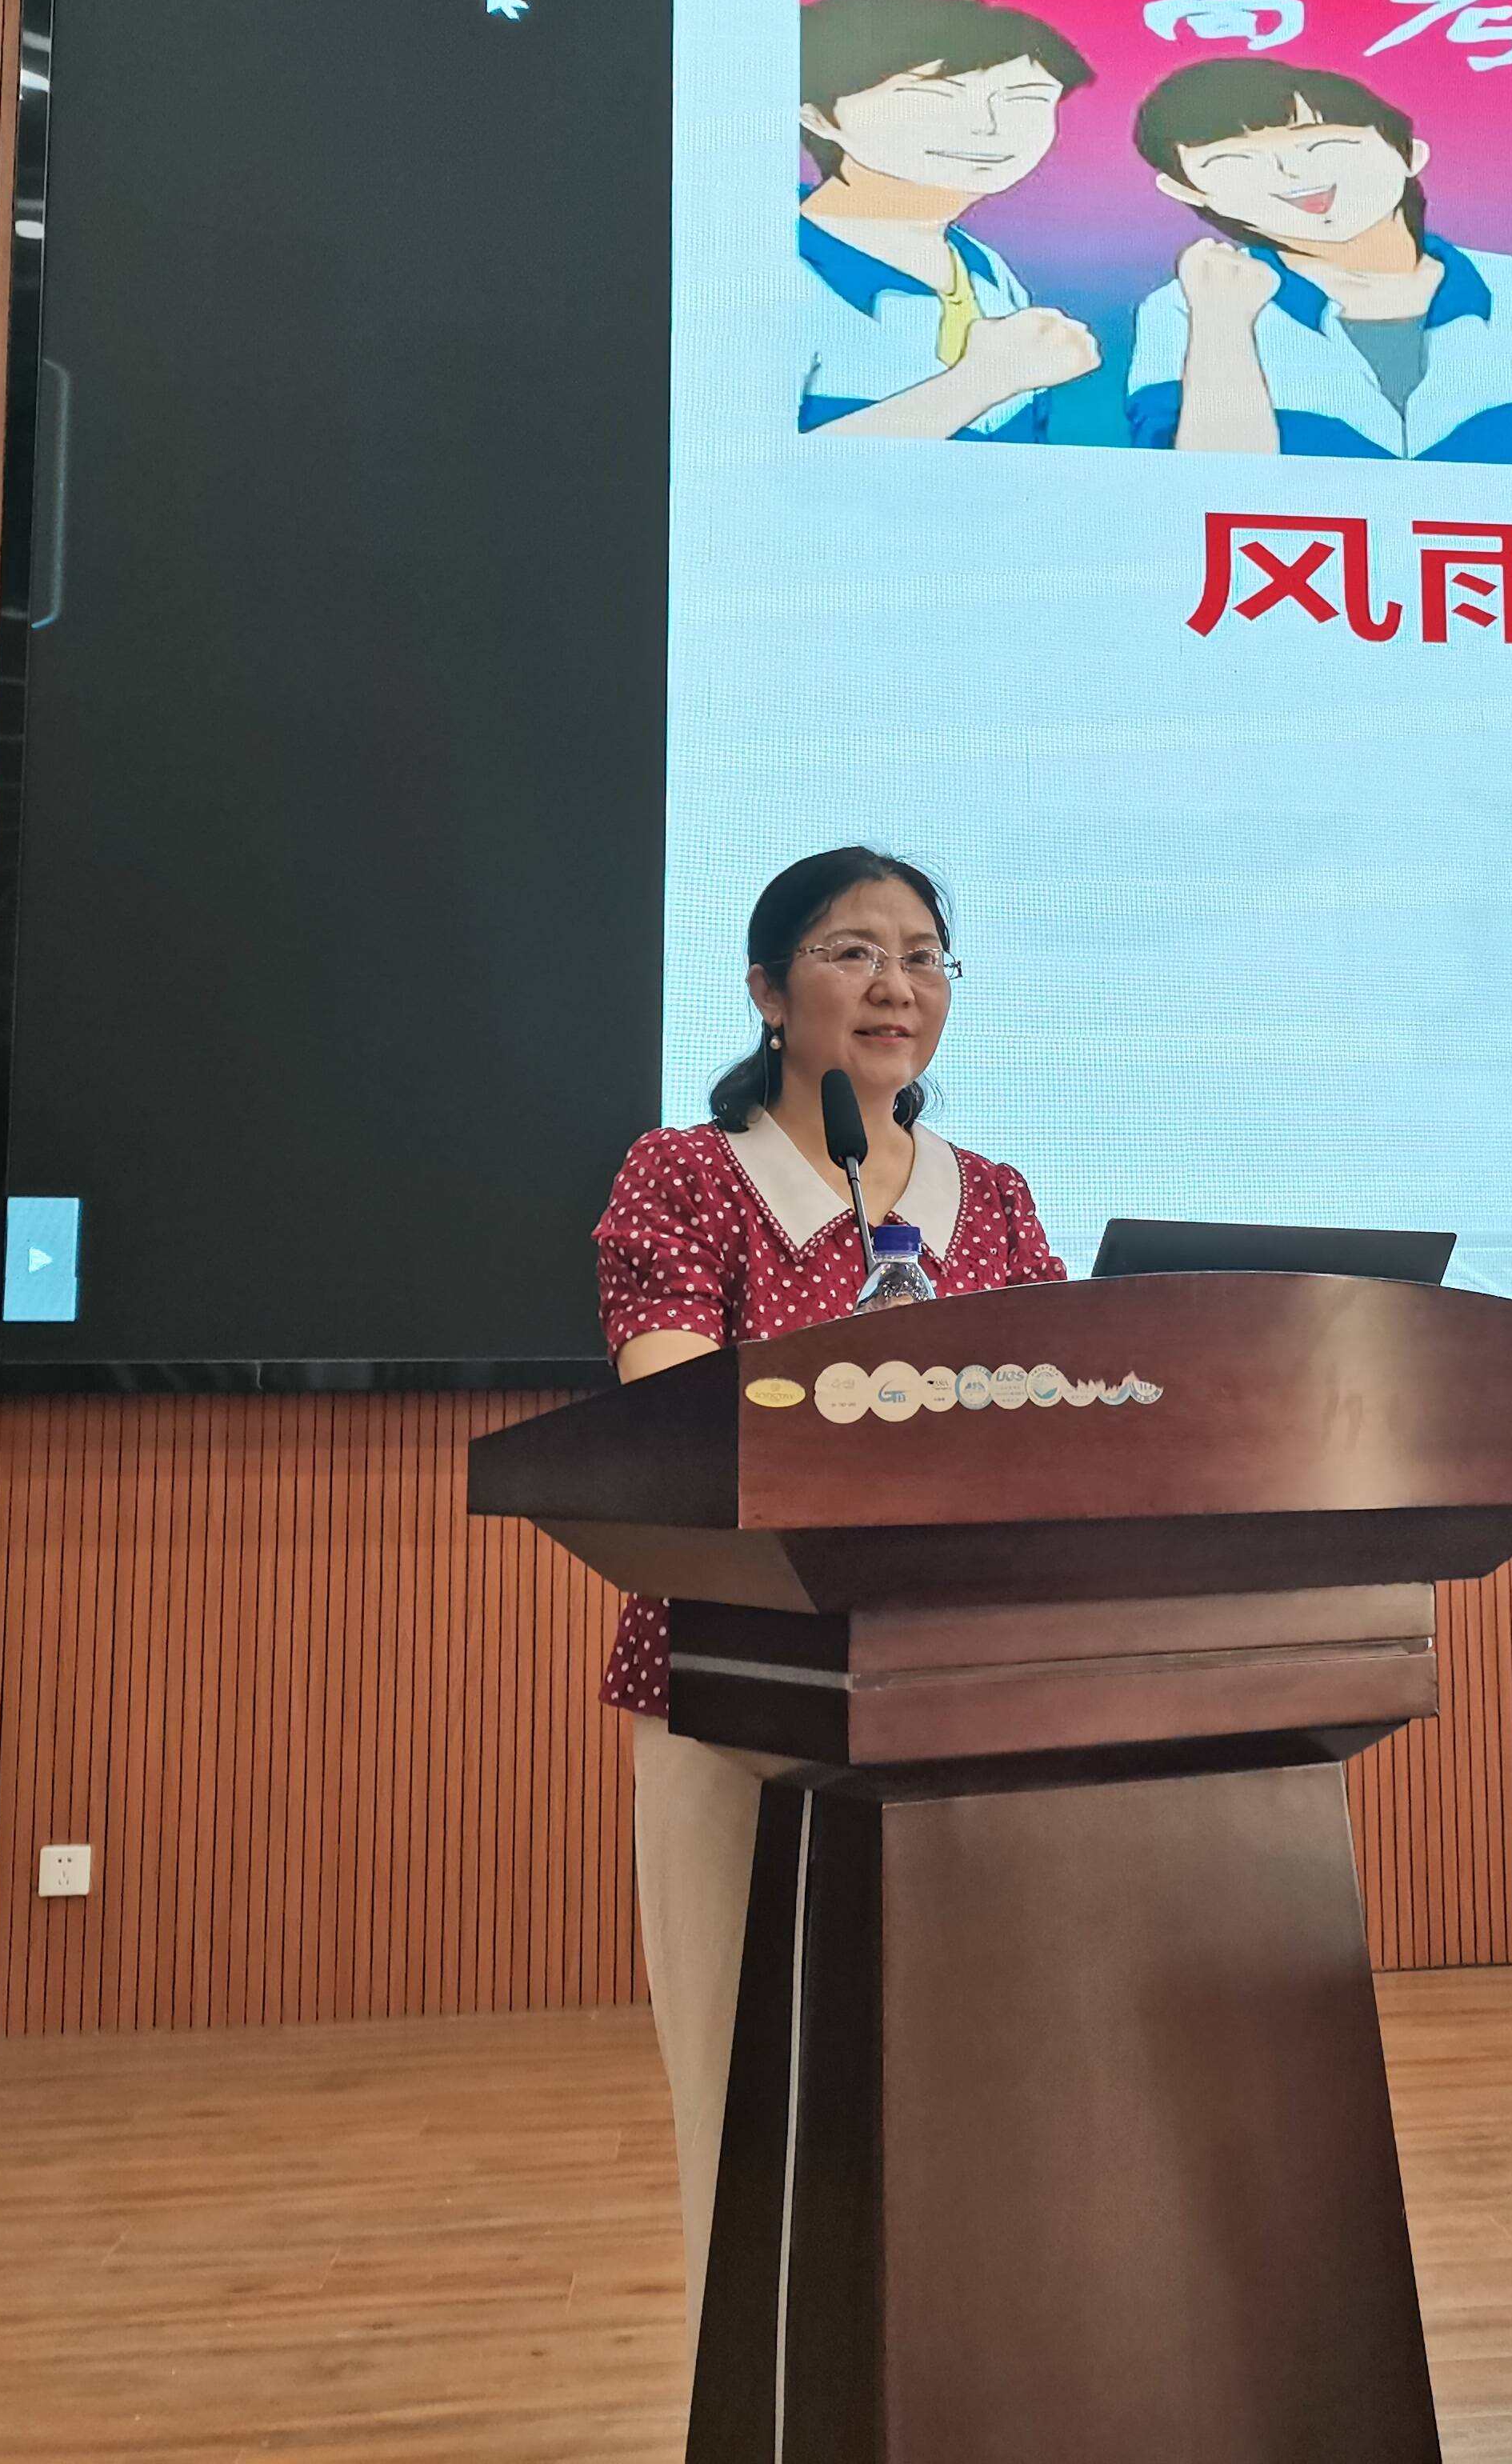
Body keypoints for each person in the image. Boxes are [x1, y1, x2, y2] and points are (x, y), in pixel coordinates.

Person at [592, 846, 1067, 2338]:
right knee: (745, 2075)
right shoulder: (688, 1173)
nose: (893, 986)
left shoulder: (993, 1198)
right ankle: (756, 2386)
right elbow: (672, 1412)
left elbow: (1068, 1417)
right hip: (739, 1677)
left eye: (923, 956)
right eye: (852, 952)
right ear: (766, 990)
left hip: (958, 1678)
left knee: (968, 2075)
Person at [1122, 58, 1512, 461]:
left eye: (1323, 146)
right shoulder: (1188, 306)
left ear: (1409, 154)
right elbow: (1201, 492)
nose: (1291, 173)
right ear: (1187, 191)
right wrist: (1222, 323)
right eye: (1234, 162)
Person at [796, 0, 1105, 440]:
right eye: (933, 99)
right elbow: (745, 465)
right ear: (818, 117)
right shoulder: (769, 269)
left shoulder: (984, 269)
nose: (989, 128)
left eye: (1025, 100)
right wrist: (979, 384)